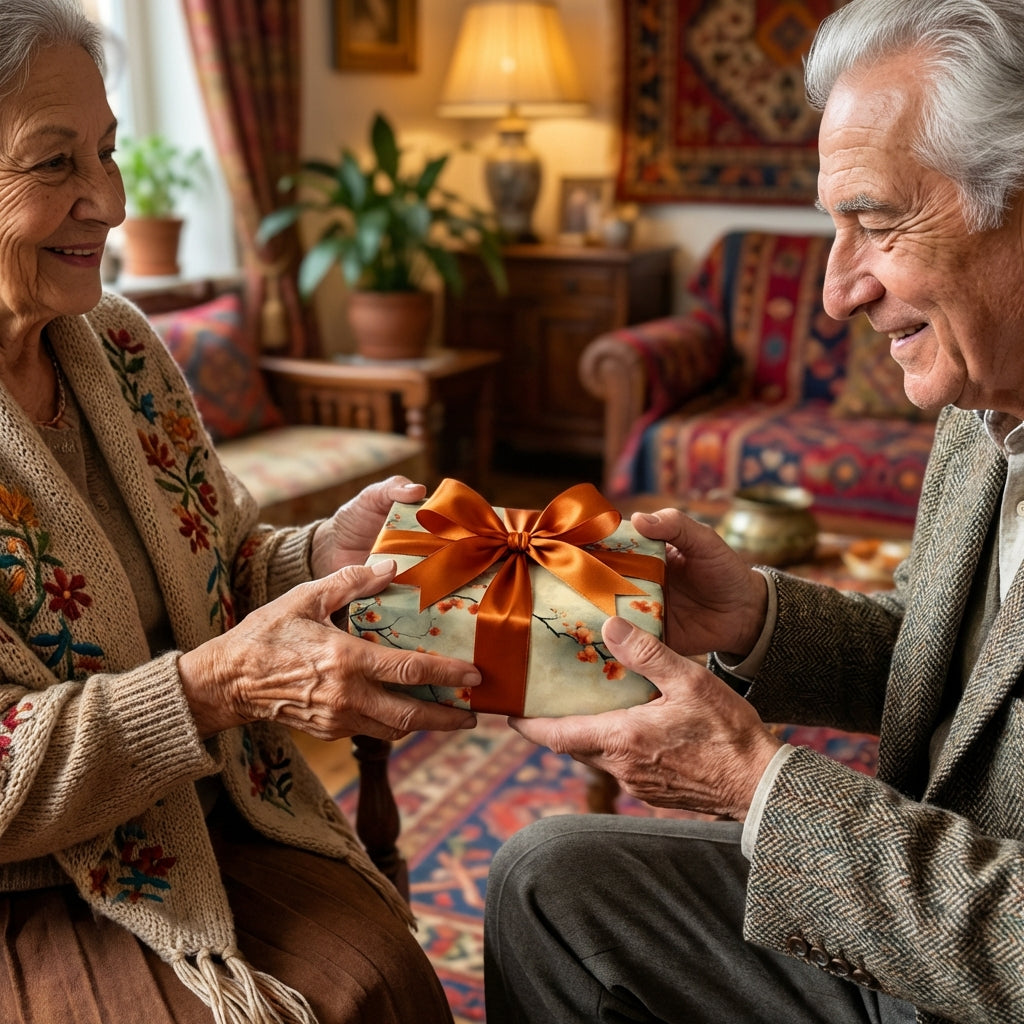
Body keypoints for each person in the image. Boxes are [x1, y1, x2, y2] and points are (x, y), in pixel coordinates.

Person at [483, 1, 1024, 1022]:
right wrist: (754, 621)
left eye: (876, 221)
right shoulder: (981, 402)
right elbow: (944, 659)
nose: (835, 292)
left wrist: (757, 790)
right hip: (909, 927)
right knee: (548, 880)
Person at [0, 2, 483, 1022]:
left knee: (381, 974)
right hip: (34, 888)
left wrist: (316, 555)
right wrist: (210, 690)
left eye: (108, 151)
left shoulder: (119, 344)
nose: (112, 200)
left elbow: (220, 562)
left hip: (211, 805)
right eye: (54, 166)